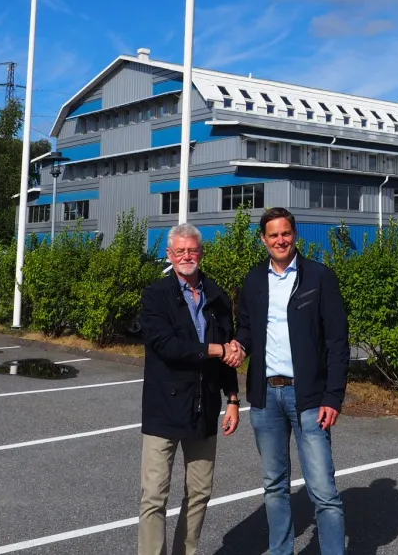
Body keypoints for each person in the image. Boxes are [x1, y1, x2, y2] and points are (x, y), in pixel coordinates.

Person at [229, 206, 350, 555]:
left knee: (323, 490)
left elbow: (338, 342)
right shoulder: (254, 279)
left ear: (294, 235)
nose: (280, 240)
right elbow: (247, 329)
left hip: (309, 397)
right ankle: (281, 551)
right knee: (274, 486)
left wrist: (333, 397)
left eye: (285, 233)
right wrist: (238, 346)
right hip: (266, 397)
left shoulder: (319, 276)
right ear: (263, 239)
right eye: (273, 235)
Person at [138, 223, 241, 555]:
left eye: (192, 250)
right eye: (180, 251)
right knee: (154, 496)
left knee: (199, 492)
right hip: (164, 407)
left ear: (201, 253)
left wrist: (233, 398)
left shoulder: (217, 295)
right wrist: (215, 349)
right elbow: (166, 345)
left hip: (204, 406)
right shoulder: (156, 295)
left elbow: (227, 352)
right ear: (169, 254)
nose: (186, 256)